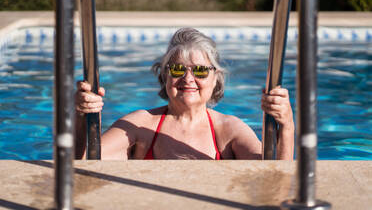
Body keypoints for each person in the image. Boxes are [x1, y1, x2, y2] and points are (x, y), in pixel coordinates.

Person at [75, 28, 294, 160]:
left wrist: (286, 125)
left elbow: (273, 176)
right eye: (178, 69)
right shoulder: (140, 125)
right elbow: (83, 163)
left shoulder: (229, 129)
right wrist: (83, 116)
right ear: (165, 76)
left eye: (199, 70)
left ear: (215, 77)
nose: (188, 79)